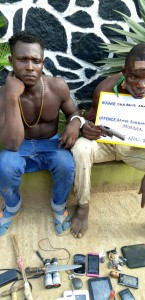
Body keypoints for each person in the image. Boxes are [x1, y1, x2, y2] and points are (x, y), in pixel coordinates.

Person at [71, 43, 145, 251]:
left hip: (138, 149)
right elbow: (91, 119)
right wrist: (87, 129)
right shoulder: (106, 88)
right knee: (81, 148)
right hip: (107, 144)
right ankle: (83, 205)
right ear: (124, 72)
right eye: (134, 76)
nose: (142, 85)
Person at [0, 30, 86, 236]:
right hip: (18, 147)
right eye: (22, 60)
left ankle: (58, 206)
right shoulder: (3, 95)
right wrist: (12, 97)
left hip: (51, 143)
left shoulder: (57, 86)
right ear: (11, 61)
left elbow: (74, 113)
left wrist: (75, 123)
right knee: (5, 166)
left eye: (35, 61)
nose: (30, 67)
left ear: (43, 62)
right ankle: (12, 206)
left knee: (66, 164)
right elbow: (11, 144)